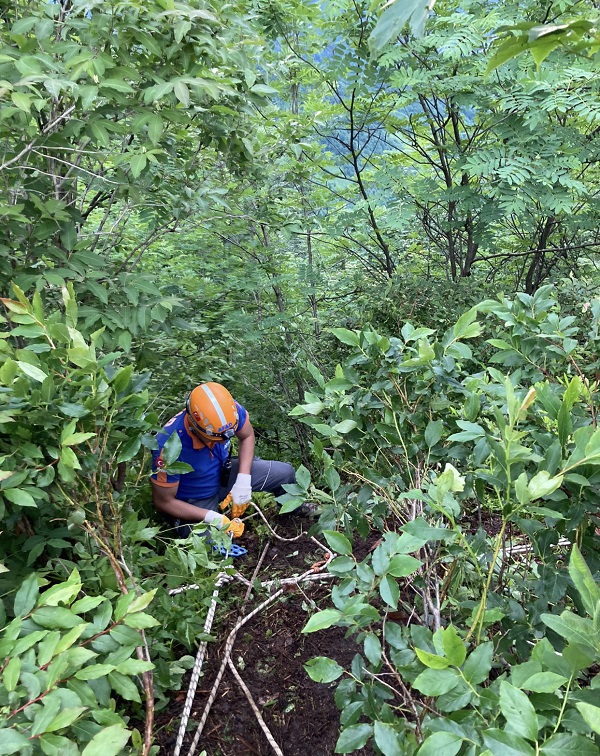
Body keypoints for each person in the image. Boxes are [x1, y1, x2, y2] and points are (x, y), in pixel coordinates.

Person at [150, 382, 301, 538]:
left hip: (224, 475)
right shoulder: (168, 446)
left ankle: (293, 515)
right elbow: (163, 502)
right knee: (210, 546)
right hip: (194, 499)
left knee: (285, 473)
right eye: (215, 438)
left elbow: (247, 435)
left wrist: (243, 479)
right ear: (195, 427)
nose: (223, 442)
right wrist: (212, 517)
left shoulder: (229, 412)